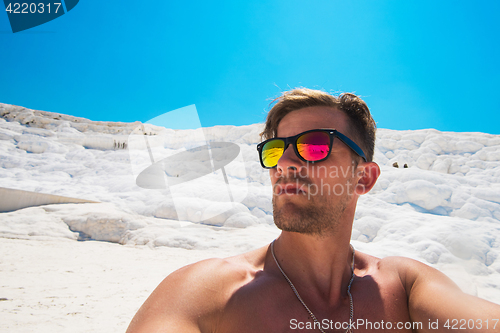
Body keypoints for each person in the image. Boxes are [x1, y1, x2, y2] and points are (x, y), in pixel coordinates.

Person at [127, 88, 500, 332]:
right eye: (274, 150)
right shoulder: (209, 290)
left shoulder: (403, 286)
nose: (285, 163)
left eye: (316, 145)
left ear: (364, 178)